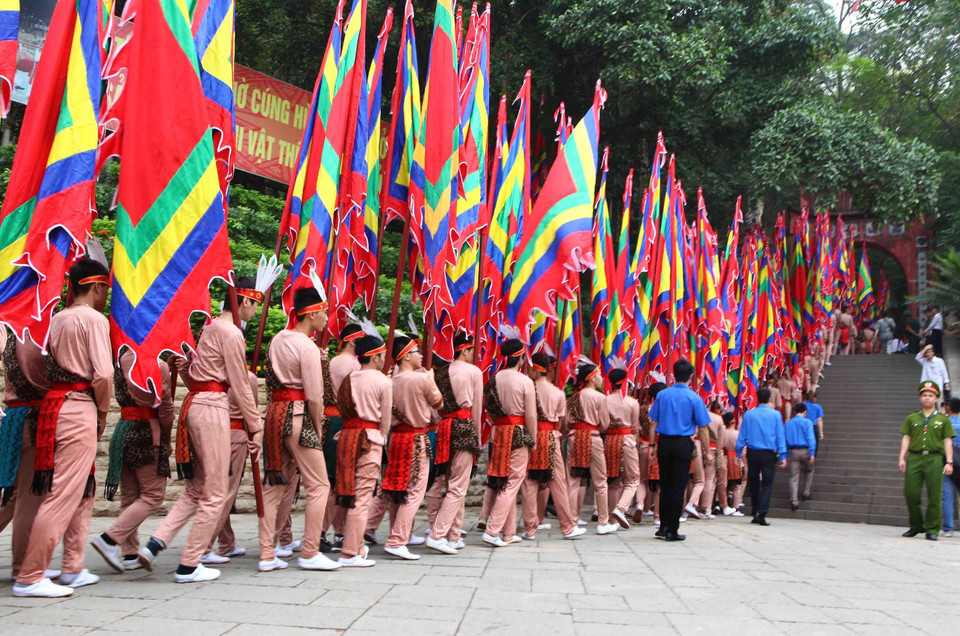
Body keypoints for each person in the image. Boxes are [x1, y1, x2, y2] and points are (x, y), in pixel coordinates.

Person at [137, 278, 263, 583]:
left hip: (198, 405)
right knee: (217, 491)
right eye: (256, 304)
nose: (256, 312)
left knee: (197, 489)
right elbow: (240, 382)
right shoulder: (231, 333)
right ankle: (190, 564)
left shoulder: (207, 328)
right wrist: (255, 424)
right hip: (213, 407)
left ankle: (156, 543)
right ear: (245, 300)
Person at [14, 258, 113, 598]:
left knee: (81, 490)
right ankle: (30, 576)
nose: (106, 295)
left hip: (55, 406)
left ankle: (72, 566)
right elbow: (104, 374)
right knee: (62, 495)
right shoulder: (94, 320)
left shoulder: (58, 318)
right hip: (79, 406)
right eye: (106, 289)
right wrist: (102, 412)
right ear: (97, 286)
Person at [257, 286, 341, 573]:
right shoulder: (306, 346)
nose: (327, 318)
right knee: (320, 484)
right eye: (325, 312)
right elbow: (316, 396)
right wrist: (317, 428)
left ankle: (267, 554)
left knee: (273, 486)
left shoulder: (277, 340)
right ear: (312, 313)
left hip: (274, 415)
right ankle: (309, 551)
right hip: (297, 414)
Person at [90, 349, 174, 573]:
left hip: (123, 431)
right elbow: (165, 409)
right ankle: (109, 539)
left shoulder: (120, 361)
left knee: (130, 494)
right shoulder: (157, 364)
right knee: (153, 495)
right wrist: (166, 439)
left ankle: (129, 554)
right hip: (146, 432)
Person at [379, 334, 441, 560]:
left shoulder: (390, 380)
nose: (421, 355)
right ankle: (397, 539)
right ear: (405, 356)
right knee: (414, 491)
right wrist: (431, 379)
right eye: (416, 351)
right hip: (415, 439)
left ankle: (396, 535)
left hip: (396, 438)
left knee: (398, 489)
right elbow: (438, 402)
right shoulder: (421, 379)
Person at [425, 331, 484, 554]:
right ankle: (438, 534)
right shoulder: (474, 372)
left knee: (452, 483)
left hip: (445, 428)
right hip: (464, 427)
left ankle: (454, 534)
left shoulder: (441, 373)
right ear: (464, 349)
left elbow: (435, 407)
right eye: (472, 350)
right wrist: (477, 435)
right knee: (458, 487)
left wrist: (441, 422)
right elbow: (476, 408)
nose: (474, 353)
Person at [517, 350, 585, 541]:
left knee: (529, 482)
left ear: (535, 369)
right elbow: (562, 423)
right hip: (551, 438)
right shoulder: (558, 393)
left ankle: (530, 528)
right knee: (558, 483)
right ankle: (567, 527)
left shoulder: (527, 389)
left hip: (529, 437)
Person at [1, 332, 50, 582]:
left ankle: (24, 563)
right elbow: (41, 380)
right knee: (28, 498)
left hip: (15, 417)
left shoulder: (14, 333)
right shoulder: (32, 335)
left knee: (13, 497)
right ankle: (22, 567)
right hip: (30, 419)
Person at [481, 338, 537, 547]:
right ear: (521, 357)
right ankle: (493, 529)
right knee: (513, 482)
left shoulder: (493, 379)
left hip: (498, 432)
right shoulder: (524, 381)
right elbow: (530, 415)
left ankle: (508, 532)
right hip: (517, 433)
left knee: (504, 482)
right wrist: (533, 439)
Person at [648, 359, 711, 542]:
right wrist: (707, 451)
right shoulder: (694, 398)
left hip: (664, 443)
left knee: (665, 486)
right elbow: (704, 427)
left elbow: (653, 422)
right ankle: (672, 530)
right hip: (684, 444)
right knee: (678, 487)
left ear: (673, 374)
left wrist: (652, 445)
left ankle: (663, 526)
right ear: (691, 376)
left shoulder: (662, 395)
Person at [203, 370, 259, 564]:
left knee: (220, 490)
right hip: (234, 435)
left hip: (212, 434)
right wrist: (255, 433)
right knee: (225, 493)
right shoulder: (246, 377)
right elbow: (251, 410)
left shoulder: (210, 374)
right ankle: (204, 545)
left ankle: (227, 543)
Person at [321, 323, 363, 552]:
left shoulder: (333, 362)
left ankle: (340, 530)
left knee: (335, 481)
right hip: (343, 422)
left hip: (328, 421)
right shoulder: (354, 365)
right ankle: (320, 532)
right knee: (339, 481)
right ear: (352, 342)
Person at [565, 359, 618, 535]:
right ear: (592, 378)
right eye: (599, 375)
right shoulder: (600, 397)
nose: (602, 378)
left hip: (574, 437)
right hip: (593, 438)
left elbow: (566, 423)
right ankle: (603, 522)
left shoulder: (573, 397)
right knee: (600, 481)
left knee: (573, 481)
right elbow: (604, 424)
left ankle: (571, 522)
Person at [898, 381, 955, 540]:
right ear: (920, 397)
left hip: (934, 458)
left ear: (936, 398)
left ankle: (932, 529)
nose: (927, 398)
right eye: (924, 395)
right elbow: (906, 437)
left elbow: (947, 441)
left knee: (935, 495)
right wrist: (902, 457)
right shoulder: (912, 417)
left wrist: (949, 462)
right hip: (915, 458)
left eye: (930, 395)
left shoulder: (943, 420)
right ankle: (916, 525)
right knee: (911, 493)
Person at [735, 387, 787, 526]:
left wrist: (738, 453)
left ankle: (755, 510)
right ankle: (761, 512)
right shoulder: (775, 415)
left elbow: (742, 435)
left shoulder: (749, 415)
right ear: (769, 398)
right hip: (768, 453)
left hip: (752, 452)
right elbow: (779, 435)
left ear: (757, 398)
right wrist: (783, 454)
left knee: (753, 482)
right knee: (767, 484)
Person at [605, 368, 640, 530]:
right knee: (633, 479)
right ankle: (620, 509)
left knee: (613, 481)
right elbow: (635, 427)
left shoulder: (605, 400)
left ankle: (613, 520)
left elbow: (603, 424)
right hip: (627, 440)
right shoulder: (632, 402)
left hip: (610, 440)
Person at [784, 403, 817, 511]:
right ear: (805, 412)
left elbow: (784, 440)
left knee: (794, 476)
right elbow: (811, 439)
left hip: (793, 451)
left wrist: (784, 455)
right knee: (809, 471)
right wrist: (812, 453)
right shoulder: (808, 422)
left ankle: (794, 501)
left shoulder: (788, 424)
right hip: (805, 450)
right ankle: (806, 493)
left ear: (794, 412)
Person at [941, 398, 960, 538]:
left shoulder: (943, 423)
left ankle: (948, 528)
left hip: (948, 462)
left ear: (948, 408)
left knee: (946, 494)